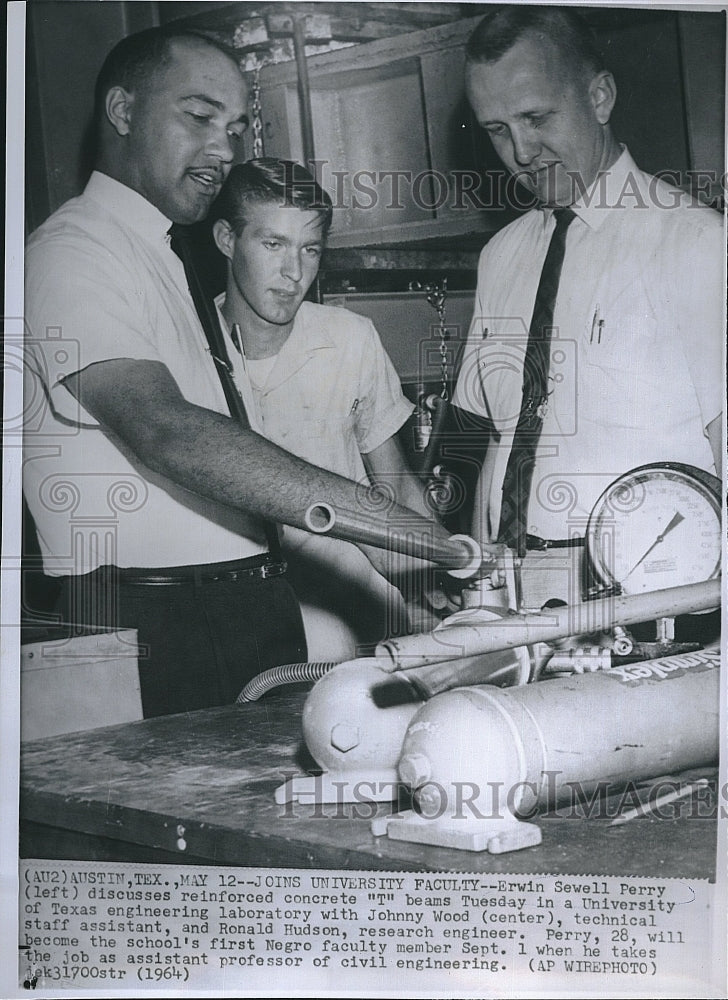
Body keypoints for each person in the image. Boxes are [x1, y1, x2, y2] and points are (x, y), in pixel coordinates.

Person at [22, 26, 437, 718]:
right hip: (151, 620)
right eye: (199, 117)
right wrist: (382, 520)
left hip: (240, 607)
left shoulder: (165, 257)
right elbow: (165, 430)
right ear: (123, 112)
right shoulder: (72, 254)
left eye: (237, 127)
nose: (224, 149)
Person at [452, 5, 723, 608]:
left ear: (600, 97)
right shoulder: (501, 257)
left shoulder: (698, 243)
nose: (520, 151)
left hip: (652, 604)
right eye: (496, 128)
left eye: (535, 117)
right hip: (516, 600)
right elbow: (500, 441)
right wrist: (483, 601)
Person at [209, 159, 438, 658]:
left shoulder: (349, 338)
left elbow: (394, 483)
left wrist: (445, 570)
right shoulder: (190, 347)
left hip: (363, 616)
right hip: (246, 620)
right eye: (273, 245)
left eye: (309, 250)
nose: (294, 273)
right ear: (227, 239)